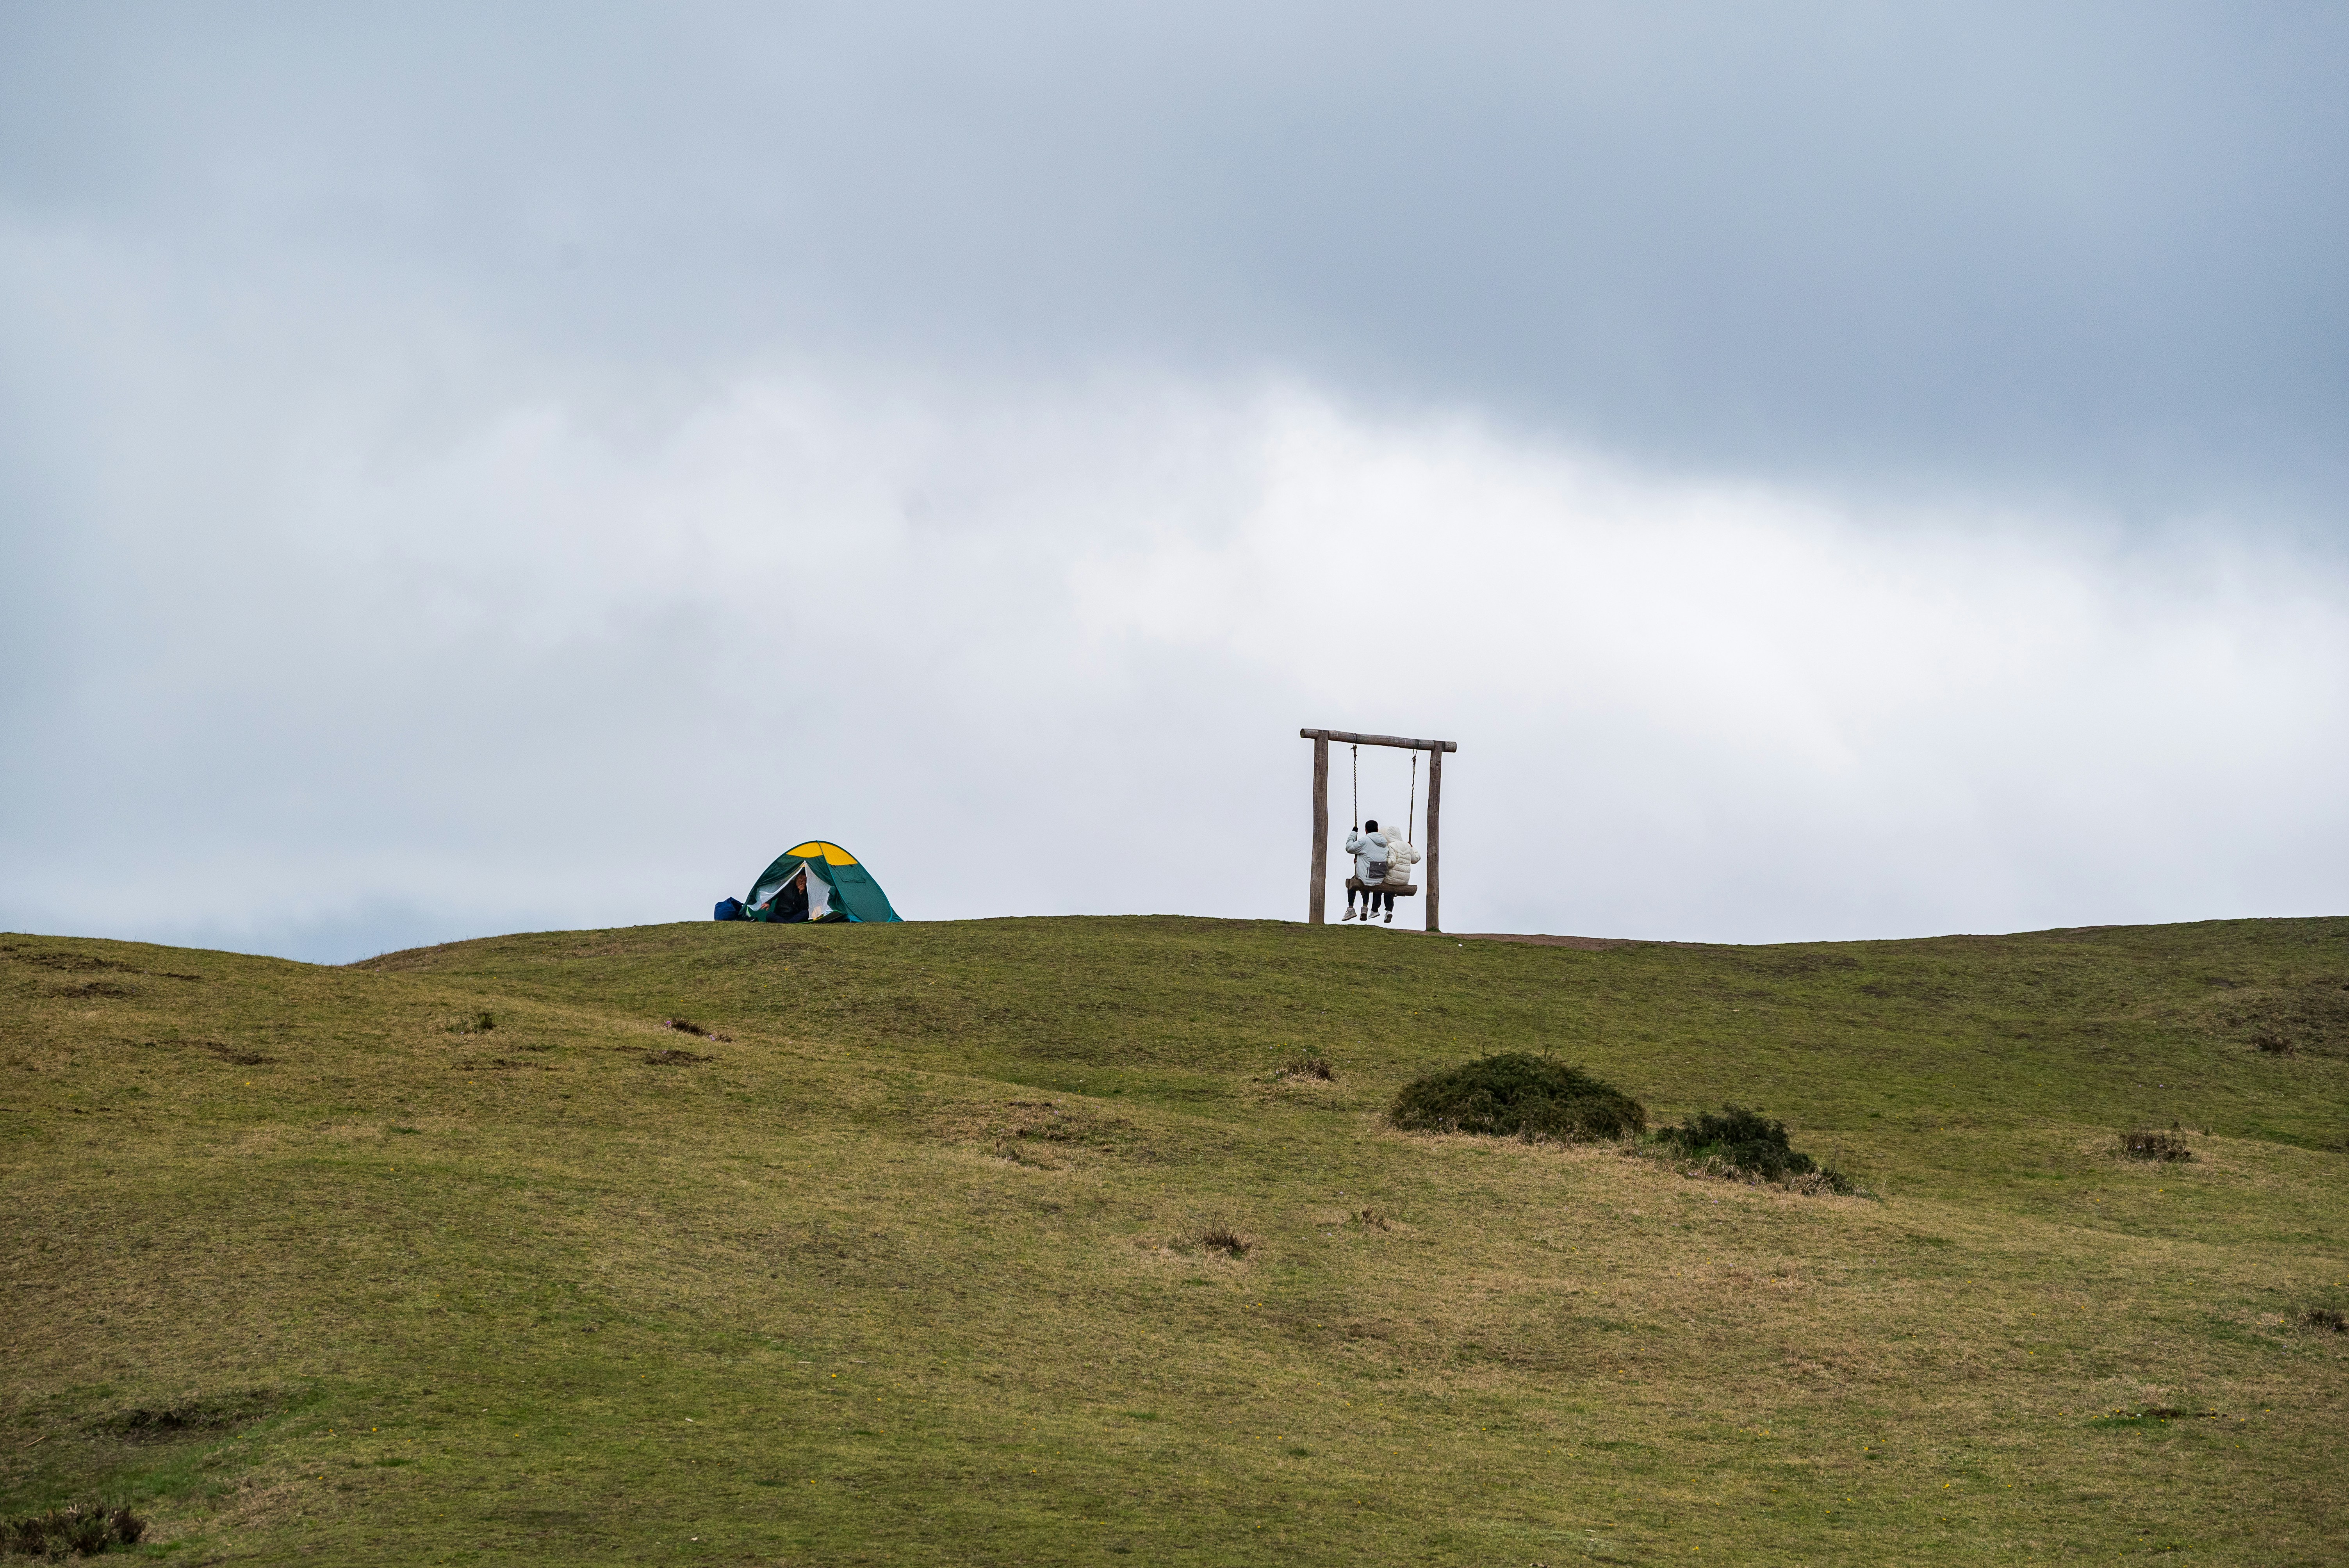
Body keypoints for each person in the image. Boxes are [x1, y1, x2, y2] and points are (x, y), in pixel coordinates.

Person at [1342, 820, 1391, 922]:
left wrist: (1354, 833)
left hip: (1367, 877)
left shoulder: (1364, 841)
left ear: (1366, 830)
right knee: (1368, 873)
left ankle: (1351, 909)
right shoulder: (1385, 843)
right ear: (1378, 830)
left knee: (1353, 881)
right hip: (1379, 878)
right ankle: (1364, 909)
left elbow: (1349, 848)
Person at [1381, 828, 1422, 923]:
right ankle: (1389, 911)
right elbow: (1416, 859)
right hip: (1404, 880)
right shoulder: (1407, 846)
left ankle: (1375, 909)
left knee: (1382, 880)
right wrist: (1412, 848)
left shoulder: (1391, 846)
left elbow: (1391, 863)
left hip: (1391, 879)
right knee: (1391, 884)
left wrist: (1383, 862)